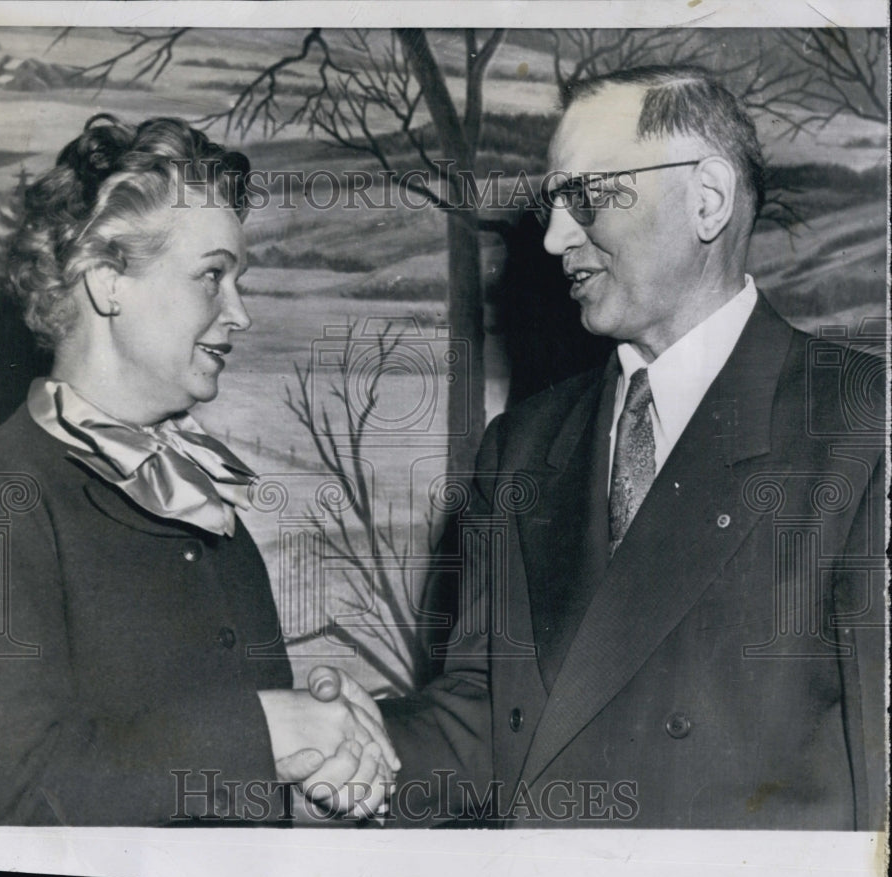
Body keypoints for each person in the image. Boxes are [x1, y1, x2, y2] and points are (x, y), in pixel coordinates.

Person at [371, 65, 886, 828]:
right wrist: (339, 747)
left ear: (706, 200)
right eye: (552, 203)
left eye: (584, 196)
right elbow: (486, 724)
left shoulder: (861, 421)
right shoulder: (521, 447)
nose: (553, 238)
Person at [0, 114, 397, 826]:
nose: (240, 314)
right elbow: (8, 800)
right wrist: (269, 732)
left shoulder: (199, 489)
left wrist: (317, 766)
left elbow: (204, 775)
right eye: (212, 277)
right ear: (108, 281)